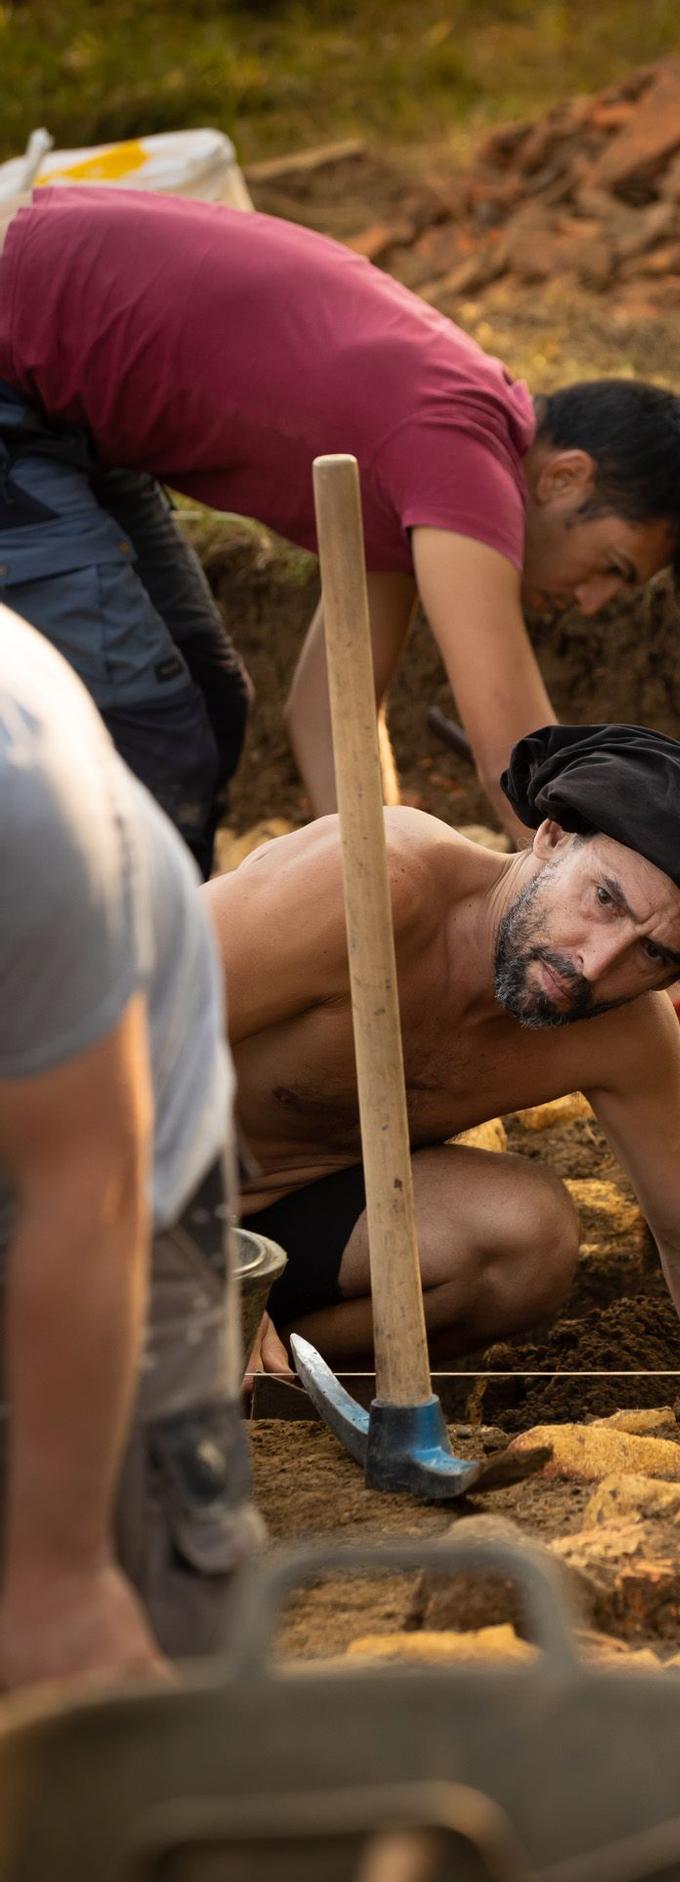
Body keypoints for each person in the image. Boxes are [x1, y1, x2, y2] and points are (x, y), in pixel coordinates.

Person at [0, 185, 680, 878]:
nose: (593, 601)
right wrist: (607, 920)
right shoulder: (463, 456)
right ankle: (113, 995)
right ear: (564, 476)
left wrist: (378, 897)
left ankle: (174, 972)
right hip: (15, 367)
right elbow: (514, 747)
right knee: (150, 730)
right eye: (612, 565)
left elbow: (330, 714)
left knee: (206, 698)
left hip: (64, 408)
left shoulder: (429, 467)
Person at [206, 724, 680, 1409]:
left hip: (283, 1238)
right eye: (605, 899)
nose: (595, 963)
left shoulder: (619, 1030)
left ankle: (267, 1387)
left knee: (525, 1238)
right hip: (111, 1183)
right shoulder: (374, 880)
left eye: (653, 955)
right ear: (550, 838)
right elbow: (94, 1031)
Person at [0, 604, 261, 1693]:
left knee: (128, 1667)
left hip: (98, 1177)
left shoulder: (22, 807)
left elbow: (85, 1185)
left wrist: (56, 1575)